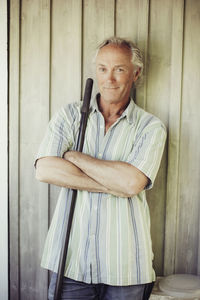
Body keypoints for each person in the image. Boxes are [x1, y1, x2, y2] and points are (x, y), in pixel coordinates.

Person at [35, 37, 166, 300]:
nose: (110, 78)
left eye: (119, 69)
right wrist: (113, 184)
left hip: (126, 269)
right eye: (103, 69)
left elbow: (131, 184)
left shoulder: (150, 127)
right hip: (70, 262)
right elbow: (45, 170)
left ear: (135, 73)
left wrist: (74, 157)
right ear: (96, 71)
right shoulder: (70, 116)